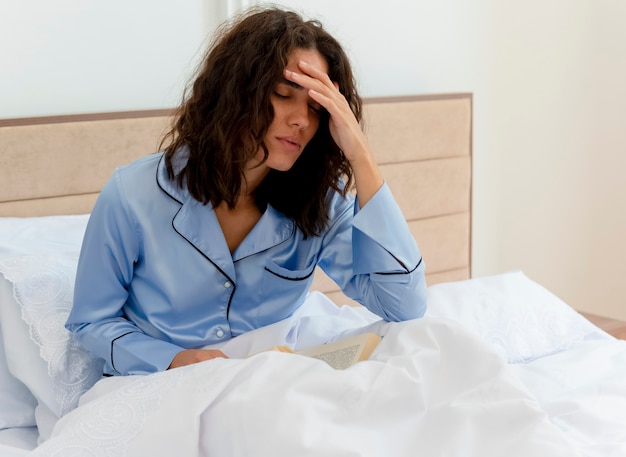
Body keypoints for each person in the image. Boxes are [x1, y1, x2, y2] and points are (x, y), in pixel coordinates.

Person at [66, 7, 427, 376]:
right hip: (159, 384)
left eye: (318, 109)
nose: (302, 119)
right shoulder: (132, 195)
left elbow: (404, 305)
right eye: (284, 94)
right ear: (235, 91)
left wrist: (361, 156)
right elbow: (90, 323)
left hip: (269, 386)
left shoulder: (318, 204)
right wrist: (171, 359)